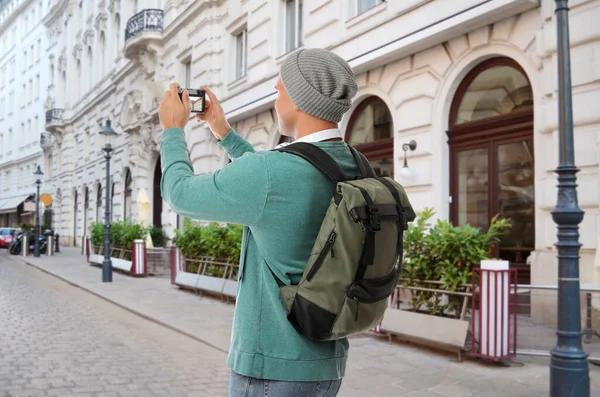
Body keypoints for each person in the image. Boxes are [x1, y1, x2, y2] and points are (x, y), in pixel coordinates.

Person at [158, 48, 360, 397]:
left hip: (272, 369)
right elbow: (275, 186)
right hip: (327, 365)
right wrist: (222, 131)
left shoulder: (274, 174)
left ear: (298, 99)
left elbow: (179, 193)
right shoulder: (353, 163)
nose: (276, 98)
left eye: (280, 89)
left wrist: (172, 132)